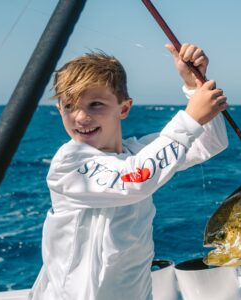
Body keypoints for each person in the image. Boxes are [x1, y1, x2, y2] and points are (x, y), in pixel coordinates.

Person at [30, 43, 228, 299]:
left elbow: (209, 142)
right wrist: (190, 119)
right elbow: (134, 180)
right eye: (69, 106)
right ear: (59, 110)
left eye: (95, 104)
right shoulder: (69, 163)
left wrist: (193, 86)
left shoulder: (137, 153)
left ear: (123, 108)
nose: (80, 117)